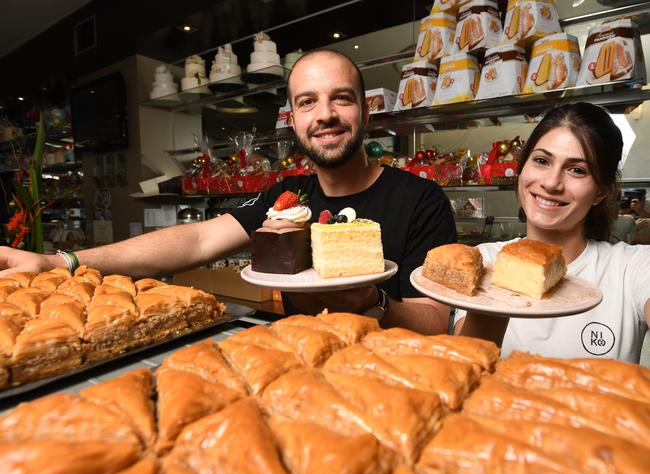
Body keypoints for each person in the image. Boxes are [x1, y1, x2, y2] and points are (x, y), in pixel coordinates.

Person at [0, 49, 456, 334]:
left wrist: (371, 302)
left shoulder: (421, 199)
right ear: (293, 121)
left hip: (396, 374)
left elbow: (436, 321)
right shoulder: (288, 199)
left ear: (365, 112)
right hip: (302, 360)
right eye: (307, 101)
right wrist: (62, 261)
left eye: (342, 97)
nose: (325, 114)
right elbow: (196, 240)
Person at [455, 102, 650, 363]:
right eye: (541, 161)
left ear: (601, 191)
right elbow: (466, 369)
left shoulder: (632, 267)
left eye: (577, 170)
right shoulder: (484, 260)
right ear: (522, 169)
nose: (551, 183)